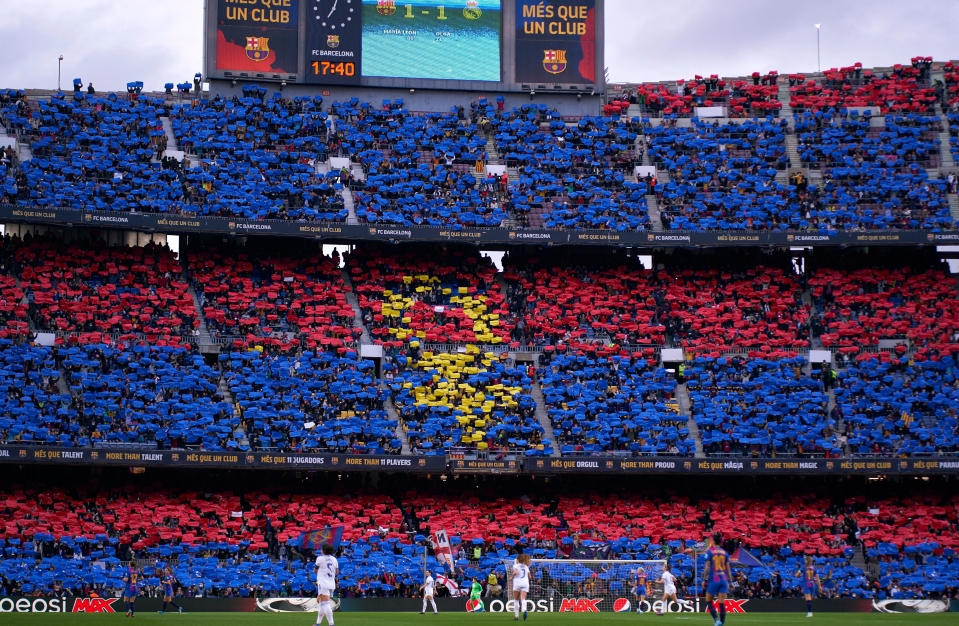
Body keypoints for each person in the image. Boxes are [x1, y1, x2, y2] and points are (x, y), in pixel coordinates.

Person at [703, 533, 731, 626]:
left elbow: (707, 568)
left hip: (714, 580)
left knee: (708, 601)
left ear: (713, 541)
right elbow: (728, 569)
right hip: (724, 580)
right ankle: (722, 623)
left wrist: (704, 580)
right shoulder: (725, 553)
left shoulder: (710, 552)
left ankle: (716, 620)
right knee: (721, 603)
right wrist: (730, 582)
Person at [314, 544, 338, 626]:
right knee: (322, 603)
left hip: (323, 582)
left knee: (326, 603)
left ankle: (331, 624)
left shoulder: (319, 559)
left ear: (323, 550)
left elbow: (315, 570)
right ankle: (318, 623)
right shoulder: (334, 559)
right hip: (331, 583)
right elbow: (337, 572)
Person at [512, 553, 531, 621]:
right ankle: (524, 610)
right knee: (523, 599)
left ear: (518, 560)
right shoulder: (526, 567)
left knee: (516, 600)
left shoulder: (516, 566)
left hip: (517, 583)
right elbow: (530, 577)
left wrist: (511, 577)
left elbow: (515, 572)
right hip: (525, 583)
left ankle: (516, 616)